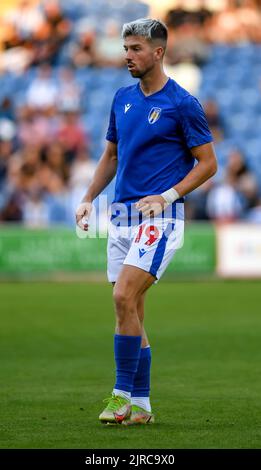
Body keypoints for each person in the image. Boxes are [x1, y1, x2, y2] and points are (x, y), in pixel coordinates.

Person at [76, 18, 217, 425]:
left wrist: (169, 195)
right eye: (126, 49)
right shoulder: (122, 97)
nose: (127, 56)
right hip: (121, 214)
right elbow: (111, 156)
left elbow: (208, 163)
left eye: (136, 49)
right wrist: (88, 198)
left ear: (158, 52)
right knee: (131, 309)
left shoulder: (182, 103)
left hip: (161, 216)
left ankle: (120, 397)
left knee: (123, 297)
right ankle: (142, 407)